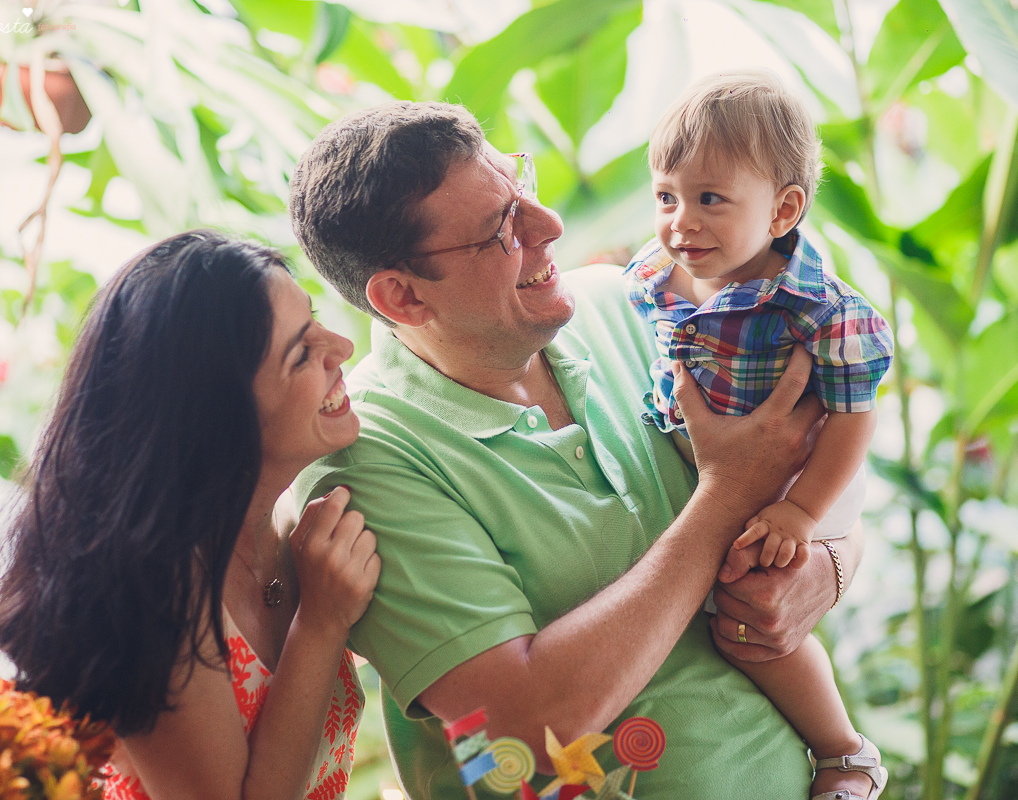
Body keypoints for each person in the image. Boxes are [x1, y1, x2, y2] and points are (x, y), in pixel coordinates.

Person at [286, 101, 863, 799]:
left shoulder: (634, 307)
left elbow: (807, 467)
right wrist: (726, 496)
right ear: (402, 297)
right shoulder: (364, 457)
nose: (550, 225)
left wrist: (827, 566)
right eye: (501, 227)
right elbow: (523, 733)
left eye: (520, 185)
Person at [0, 231, 381, 800]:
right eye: (301, 354)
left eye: (314, 320)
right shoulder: (148, 588)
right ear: (218, 420)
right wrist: (320, 625)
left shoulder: (295, 528)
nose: (342, 346)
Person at [624, 70, 893, 799]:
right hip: (719, 470)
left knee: (747, 619)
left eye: (711, 199)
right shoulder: (659, 273)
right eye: (666, 197)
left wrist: (802, 512)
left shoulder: (820, 309)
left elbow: (852, 417)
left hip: (798, 480)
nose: (682, 222)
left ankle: (845, 755)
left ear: (783, 210)